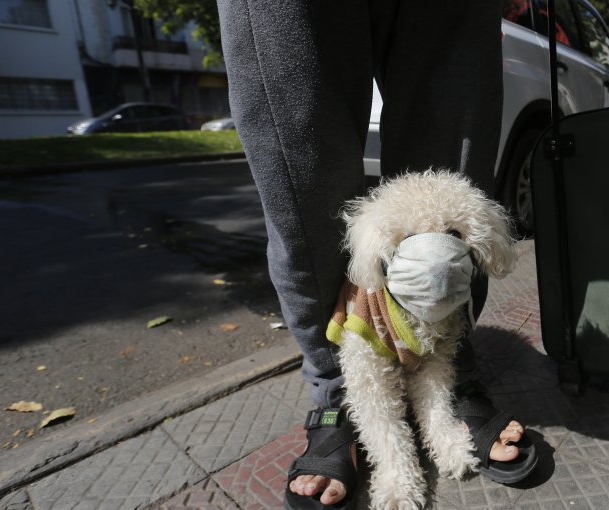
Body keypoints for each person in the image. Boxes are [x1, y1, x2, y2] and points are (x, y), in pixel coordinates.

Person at [216, 1, 535, 507]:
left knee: (454, 124)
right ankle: (334, 388)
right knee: (299, 152)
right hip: (366, 329)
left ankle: (452, 367)